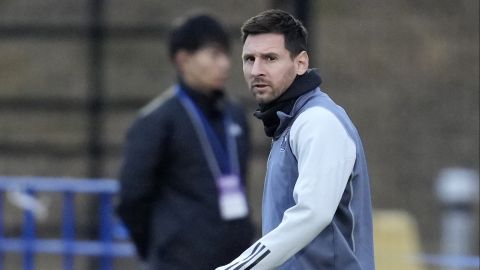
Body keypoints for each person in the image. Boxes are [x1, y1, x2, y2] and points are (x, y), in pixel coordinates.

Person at [216, 9, 375, 270]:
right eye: (249, 59)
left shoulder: (318, 121)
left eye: (270, 58)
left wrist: (238, 267)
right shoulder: (290, 122)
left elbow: (312, 214)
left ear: (301, 63)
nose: (256, 70)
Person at [116, 13, 254, 270]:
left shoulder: (234, 115)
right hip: (179, 261)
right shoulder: (157, 121)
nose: (224, 64)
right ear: (183, 59)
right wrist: (161, 246)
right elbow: (132, 198)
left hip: (237, 259)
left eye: (226, 55)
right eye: (214, 55)